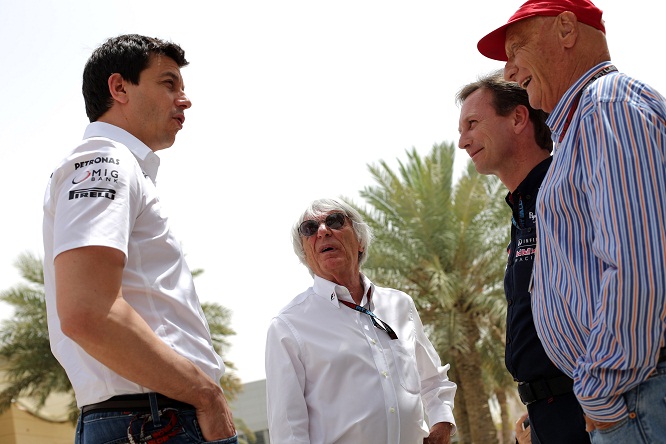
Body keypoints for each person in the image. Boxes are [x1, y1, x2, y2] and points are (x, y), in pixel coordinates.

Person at [477, 1, 666, 442]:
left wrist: (598, 392)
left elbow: (637, 267)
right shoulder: (588, 121)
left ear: (566, 30)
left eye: (516, 50)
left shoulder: (606, 108)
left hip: (634, 400)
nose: (509, 72)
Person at [42, 34, 237, 443]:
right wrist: (205, 396)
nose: (184, 101)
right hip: (155, 420)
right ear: (119, 88)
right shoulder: (104, 160)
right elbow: (86, 311)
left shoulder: (114, 164)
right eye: (168, 84)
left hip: (149, 417)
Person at [457, 72, 589, 444]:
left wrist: (598, 400)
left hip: (587, 408)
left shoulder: (568, 190)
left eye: (472, 124)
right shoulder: (522, 206)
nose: (463, 141)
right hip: (548, 414)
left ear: (517, 119)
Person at [265, 198, 457, 443]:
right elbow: (289, 432)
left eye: (334, 221)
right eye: (310, 229)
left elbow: (432, 379)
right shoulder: (287, 327)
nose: (323, 231)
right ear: (305, 254)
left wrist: (441, 424)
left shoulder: (400, 305)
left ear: (360, 240)